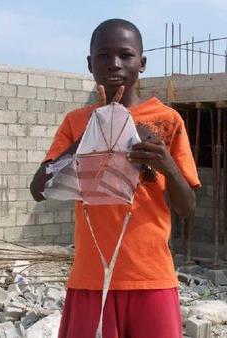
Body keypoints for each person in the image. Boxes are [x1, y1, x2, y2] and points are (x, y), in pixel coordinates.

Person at [29, 19, 199, 338]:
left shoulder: (166, 121)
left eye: (125, 55)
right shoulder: (77, 122)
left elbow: (187, 207)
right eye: (104, 55)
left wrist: (167, 165)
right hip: (91, 279)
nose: (114, 64)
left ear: (142, 63)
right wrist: (91, 134)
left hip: (151, 278)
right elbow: (39, 190)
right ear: (90, 63)